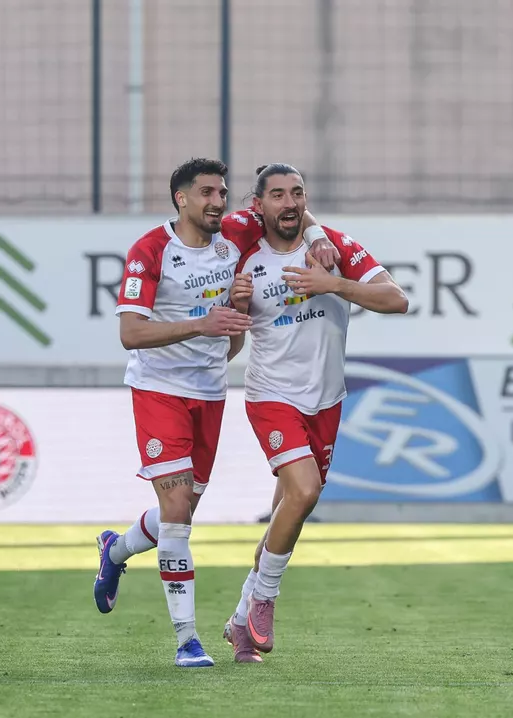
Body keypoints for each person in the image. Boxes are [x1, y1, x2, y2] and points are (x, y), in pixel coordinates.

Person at [92, 158, 338, 668]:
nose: (217, 202)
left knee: (179, 512)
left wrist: (315, 236)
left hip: (208, 391)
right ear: (180, 198)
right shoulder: (150, 250)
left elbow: (293, 209)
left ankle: (115, 550)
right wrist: (202, 324)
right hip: (158, 389)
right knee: (177, 513)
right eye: (206, 193)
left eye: (222, 193)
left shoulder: (235, 232)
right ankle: (187, 640)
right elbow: (130, 333)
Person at [222, 163, 409, 662]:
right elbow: (228, 350)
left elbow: (396, 299)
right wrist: (234, 310)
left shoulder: (334, 249)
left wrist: (334, 284)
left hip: (326, 400)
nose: (289, 202)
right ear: (258, 205)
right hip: (271, 396)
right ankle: (265, 599)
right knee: (304, 491)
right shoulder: (244, 258)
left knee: (290, 511)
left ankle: (240, 624)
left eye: (297, 193)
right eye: (278, 195)